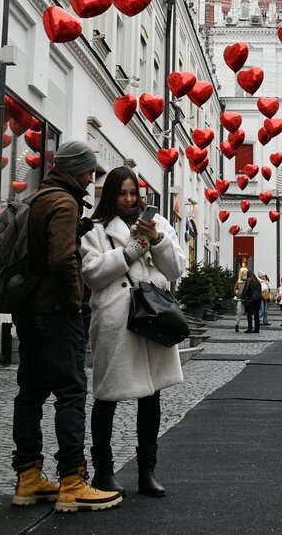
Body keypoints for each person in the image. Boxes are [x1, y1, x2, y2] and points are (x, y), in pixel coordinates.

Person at [11, 141, 123, 513]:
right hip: (57, 314)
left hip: (29, 311)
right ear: (78, 170)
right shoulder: (64, 202)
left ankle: (28, 478)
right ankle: (72, 482)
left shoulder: (39, 197)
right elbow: (61, 259)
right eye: (90, 171)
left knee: (30, 393)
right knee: (72, 393)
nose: (93, 178)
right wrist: (75, 304)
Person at [81, 167, 186, 498]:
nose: (129, 199)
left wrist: (156, 240)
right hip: (117, 320)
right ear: (111, 195)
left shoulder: (159, 225)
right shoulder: (95, 230)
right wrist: (128, 253)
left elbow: (176, 268)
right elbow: (92, 274)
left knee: (151, 395)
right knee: (106, 396)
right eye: (122, 193)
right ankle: (103, 471)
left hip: (153, 317)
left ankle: (147, 472)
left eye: (133, 193)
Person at [241, 267, 262, 333]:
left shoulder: (249, 280)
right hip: (258, 299)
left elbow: (246, 289)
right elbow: (260, 290)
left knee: (249, 313)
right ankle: (257, 329)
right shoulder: (257, 281)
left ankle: (250, 328)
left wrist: (242, 296)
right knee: (256, 314)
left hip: (252, 299)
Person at [233, 267, 248, 333]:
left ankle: (249, 326)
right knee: (238, 312)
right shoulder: (239, 282)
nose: (244, 275)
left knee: (248, 313)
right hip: (239, 299)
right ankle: (237, 324)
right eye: (243, 273)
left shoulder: (248, 281)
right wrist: (237, 292)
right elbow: (235, 288)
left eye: (246, 273)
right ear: (241, 274)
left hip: (247, 299)